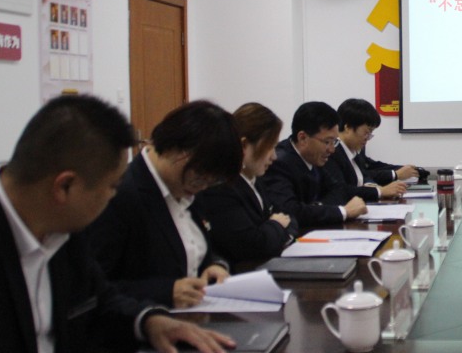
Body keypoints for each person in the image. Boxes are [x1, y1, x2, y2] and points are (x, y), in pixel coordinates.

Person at [0, 95, 234, 353]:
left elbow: (100, 299)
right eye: (111, 186)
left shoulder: (61, 224)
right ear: (65, 186)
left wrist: (150, 322)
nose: (114, 196)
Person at [85, 101, 241, 309]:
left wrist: (215, 265)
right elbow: (92, 290)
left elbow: (192, 249)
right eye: (200, 174)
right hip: (144, 322)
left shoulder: (188, 190)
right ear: (175, 148)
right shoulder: (121, 196)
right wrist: (165, 292)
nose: (203, 185)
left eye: (212, 180)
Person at [199, 103, 299, 268]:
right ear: (244, 145)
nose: (274, 156)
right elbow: (253, 245)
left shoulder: (255, 179)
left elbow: (289, 217)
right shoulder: (221, 186)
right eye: (270, 147)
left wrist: (274, 227)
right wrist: (276, 224)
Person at [260, 101, 366, 229]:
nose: (332, 150)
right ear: (303, 138)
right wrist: (343, 212)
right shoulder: (279, 163)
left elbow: (339, 189)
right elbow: (289, 212)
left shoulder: (313, 157)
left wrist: (317, 207)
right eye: (327, 142)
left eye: (334, 142)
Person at [329, 98, 419, 187]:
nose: (368, 138)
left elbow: (367, 170)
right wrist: (380, 191)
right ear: (348, 127)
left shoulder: (354, 148)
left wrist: (406, 170)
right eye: (366, 132)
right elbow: (344, 189)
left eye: (370, 134)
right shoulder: (332, 152)